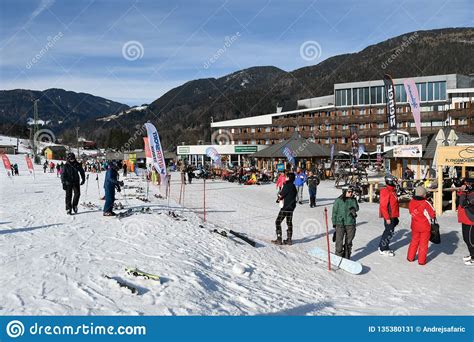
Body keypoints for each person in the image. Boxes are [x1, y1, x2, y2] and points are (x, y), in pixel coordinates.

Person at [407, 186, 435, 265]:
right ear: (424, 194)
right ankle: (421, 260)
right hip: (425, 226)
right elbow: (432, 213)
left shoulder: (412, 201)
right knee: (423, 243)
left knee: (414, 241)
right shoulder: (426, 203)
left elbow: (411, 211)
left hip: (415, 225)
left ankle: (410, 257)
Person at [332, 186, 359, 259]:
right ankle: (338, 256)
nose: (351, 193)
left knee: (349, 242)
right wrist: (334, 223)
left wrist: (354, 206)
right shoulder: (338, 200)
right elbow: (334, 212)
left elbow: (357, 208)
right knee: (339, 241)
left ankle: (347, 257)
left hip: (350, 223)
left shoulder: (353, 199)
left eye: (351, 192)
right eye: (349, 192)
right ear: (344, 191)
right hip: (340, 223)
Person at [273, 173, 297, 245]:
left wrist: (278, 198)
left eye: (286, 177)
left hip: (285, 207)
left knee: (278, 222)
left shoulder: (287, 185)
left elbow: (282, 194)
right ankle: (289, 239)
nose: (285, 178)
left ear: (289, 178)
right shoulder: (293, 186)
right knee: (289, 223)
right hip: (291, 207)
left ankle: (279, 239)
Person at [378, 174, 400, 256]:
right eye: (394, 181)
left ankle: (384, 246)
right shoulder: (386, 191)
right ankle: (382, 248)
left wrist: (395, 217)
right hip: (389, 216)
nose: (395, 183)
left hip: (393, 215)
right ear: (390, 182)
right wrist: (387, 218)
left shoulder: (393, 191)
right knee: (389, 231)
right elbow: (383, 206)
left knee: (390, 231)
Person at [457, 178, 474, 266]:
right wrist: (461, 191)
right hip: (465, 219)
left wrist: (463, 192)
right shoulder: (468, 192)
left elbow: (462, 203)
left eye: (467, 183)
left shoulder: (472, 194)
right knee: (466, 239)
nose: (465, 185)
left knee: (471, 240)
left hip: (470, 220)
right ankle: (472, 254)